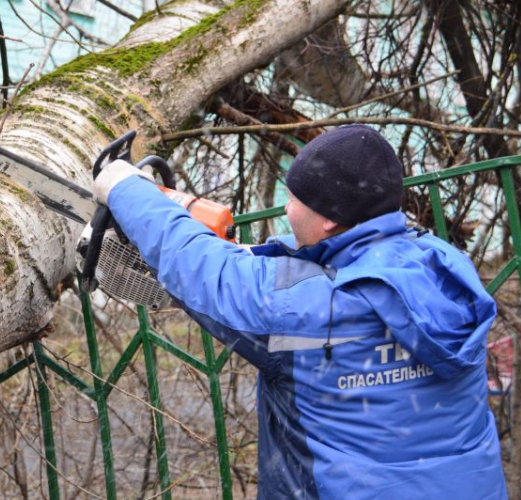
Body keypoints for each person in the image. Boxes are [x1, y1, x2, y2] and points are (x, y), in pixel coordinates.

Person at [93, 124, 508, 499]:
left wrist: (126, 188)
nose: (287, 208)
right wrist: (249, 256)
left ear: (328, 220)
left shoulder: (307, 311)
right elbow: (330, 279)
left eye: (292, 198)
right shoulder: (442, 265)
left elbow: (209, 273)